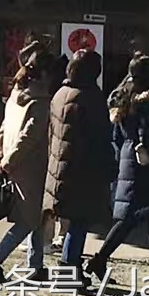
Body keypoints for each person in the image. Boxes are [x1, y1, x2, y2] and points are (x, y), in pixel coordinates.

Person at [85, 55, 149, 284]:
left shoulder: (121, 97)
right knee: (134, 216)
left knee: (145, 214)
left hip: (127, 155)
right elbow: (146, 129)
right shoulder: (147, 100)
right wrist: (148, 146)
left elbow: (116, 134)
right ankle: (99, 259)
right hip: (145, 160)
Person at [0, 43, 58, 284]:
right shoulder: (41, 102)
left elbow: (3, 129)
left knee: (35, 217)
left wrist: (0, 157)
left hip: (13, 165)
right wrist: (11, 160)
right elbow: (30, 136)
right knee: (29, 220)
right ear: (45, 74)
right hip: (31, 167)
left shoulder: (15, 95)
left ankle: (35, 265)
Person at [43, 49, 114, 284]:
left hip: (61, 167)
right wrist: (109, 167)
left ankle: (68, 267)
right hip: (83, 170)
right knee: (80, 220)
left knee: (73, 219)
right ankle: (69, 270)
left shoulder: (60, 94)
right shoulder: (91, 98)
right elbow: (100, 138)